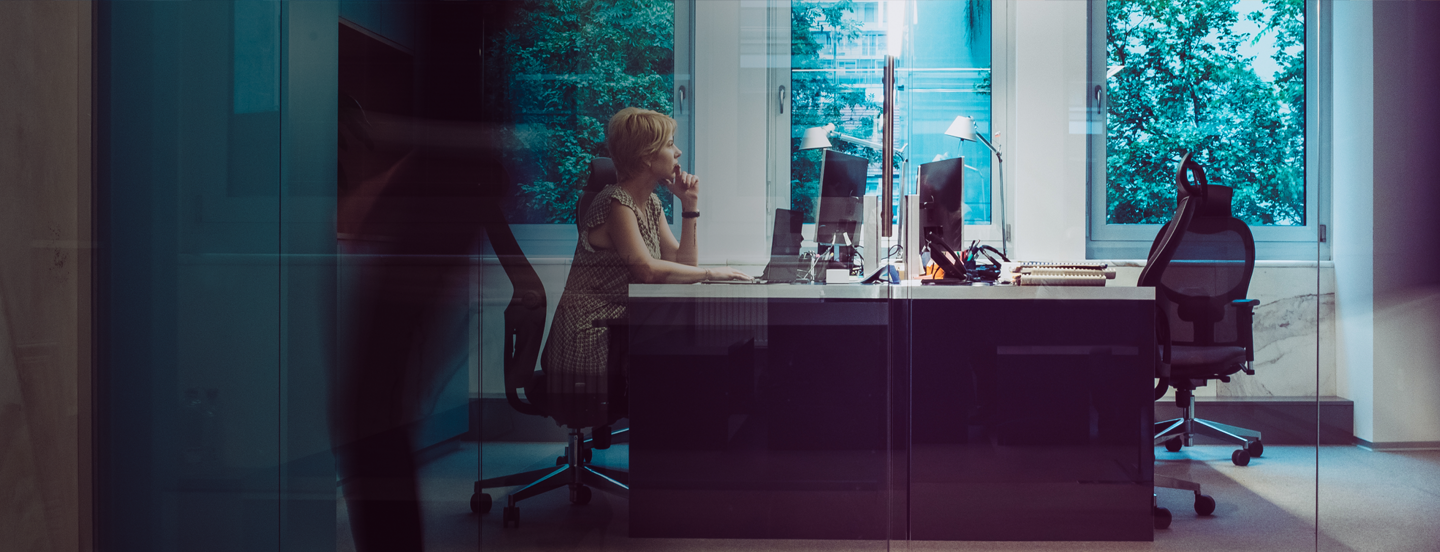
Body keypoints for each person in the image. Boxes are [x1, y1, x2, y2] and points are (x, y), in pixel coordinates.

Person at [540, 107, 748, 414]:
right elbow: (647, 270)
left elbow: (683, 266)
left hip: (619, 329)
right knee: (688, 364)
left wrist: (689, 206)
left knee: (695, 355)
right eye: (669, 144)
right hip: (591, 336)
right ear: (646, 157)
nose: (677, 152)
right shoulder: (615, 203)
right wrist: (715, 273)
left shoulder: (649, 203)